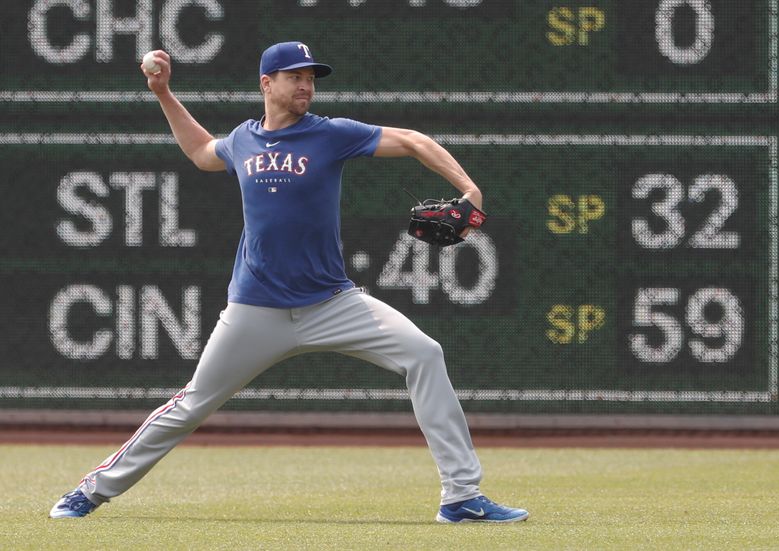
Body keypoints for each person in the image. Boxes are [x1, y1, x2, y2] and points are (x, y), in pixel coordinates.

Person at [49, 41, 528, 524]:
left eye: (311, 78)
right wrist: (162, 92)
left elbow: (412, 140)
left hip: (332, 303)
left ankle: (461, 496)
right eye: (295, 76)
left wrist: (468, 189)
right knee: (190, 404)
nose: (306, 85)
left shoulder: (329, 134)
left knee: (425, 353)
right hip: (255, 309)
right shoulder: (242, 140)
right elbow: (200, 152)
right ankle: (90, 491)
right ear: (266, 83)